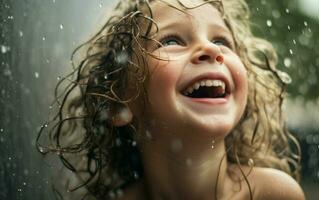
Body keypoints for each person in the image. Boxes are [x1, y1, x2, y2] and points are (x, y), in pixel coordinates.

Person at [37, 0, 305, 199]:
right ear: (119, 103)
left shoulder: (275, 194)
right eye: (171, 41)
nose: (211, 49)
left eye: (222, 41)